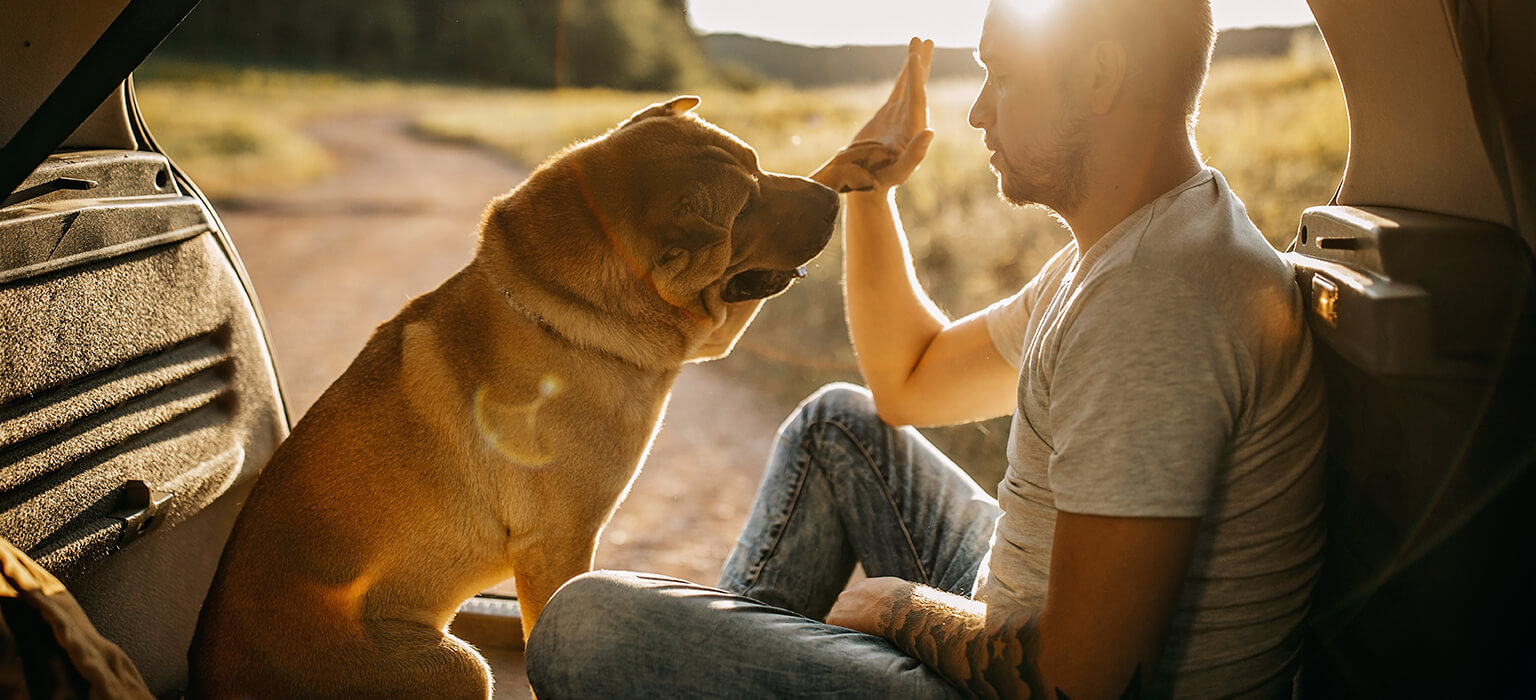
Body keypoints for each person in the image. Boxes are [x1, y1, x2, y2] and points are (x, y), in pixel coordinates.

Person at [524, 0, 1326, 697]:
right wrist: (867, 192)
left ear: (1100, 77)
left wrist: (892, 606)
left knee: (582, 626)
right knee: (840, 427)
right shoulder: (1126, 250)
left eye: (1003, 75)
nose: (978, 111)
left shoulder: (1158, 298)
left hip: (1043, 680)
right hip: (1023, 607)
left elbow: (1075, 681)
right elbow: (912, 381)